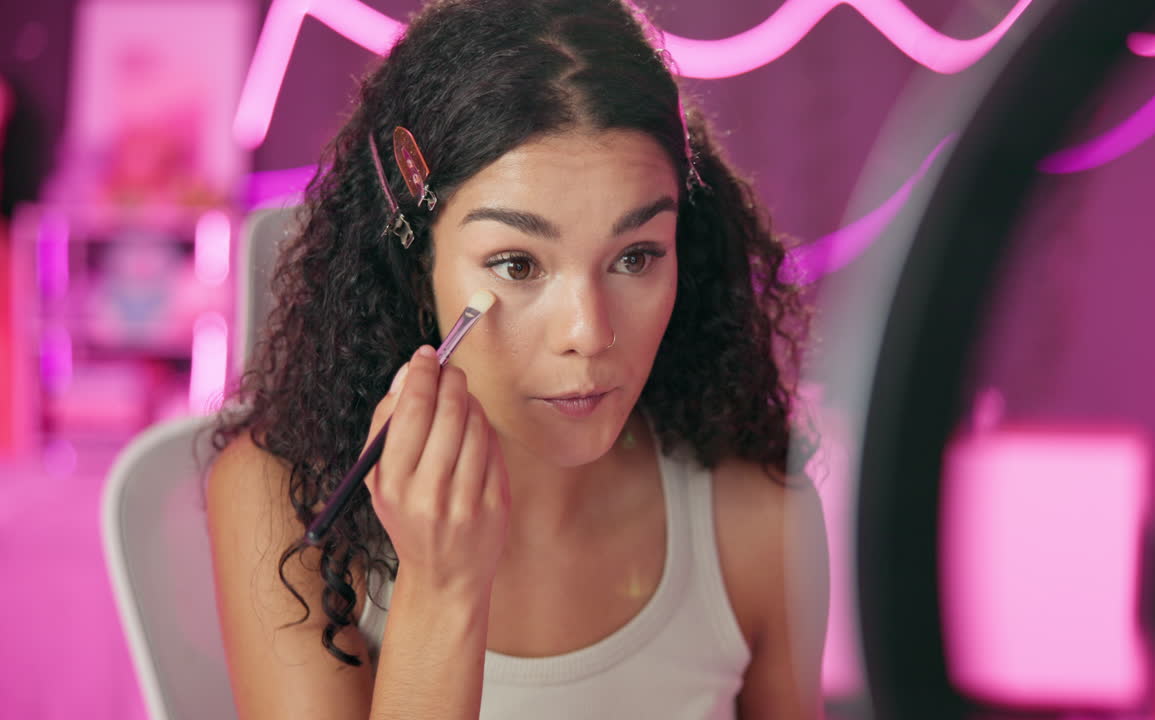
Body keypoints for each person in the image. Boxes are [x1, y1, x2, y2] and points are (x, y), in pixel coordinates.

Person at [206, 1, 829, 717]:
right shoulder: (284, 502)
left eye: (635, 256)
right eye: (517, 264)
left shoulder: (755, 519)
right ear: (415, 263)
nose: (589, 333)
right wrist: (442, 588)